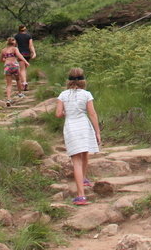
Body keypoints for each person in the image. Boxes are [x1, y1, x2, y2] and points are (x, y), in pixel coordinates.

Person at [55, 67, 101, 205]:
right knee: (85, 153)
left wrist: (65, 113)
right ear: (83, 80)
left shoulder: (63, 95)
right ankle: (84, 178)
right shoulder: (86, 94)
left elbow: (58, 114)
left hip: (71, 126)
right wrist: (97, 131)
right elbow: (92, 114)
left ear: (68, 80)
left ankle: (81, 195)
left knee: (76, 160)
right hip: (84, 126)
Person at [0, 37, 29, 107]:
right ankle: (20, 93)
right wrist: (26, 62)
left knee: (9, 84)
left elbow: (0, 60)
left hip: (7, 66)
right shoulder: (15, 49)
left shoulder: (3, 50)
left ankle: (9, 99)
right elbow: (20, 56)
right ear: (14, 42)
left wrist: (6, 60)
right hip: (15, 66)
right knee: (18, 79)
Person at [14, 25, 36, 92]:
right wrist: (34, 53)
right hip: (27, 54)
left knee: (22, 70)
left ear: (19, 30)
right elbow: (31, 46)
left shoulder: (16, 36)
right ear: (25, 30)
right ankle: (23, 82)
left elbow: (15, 45)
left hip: (20, 54)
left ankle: (24, 82)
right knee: (24, 69)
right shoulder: (28, 36)